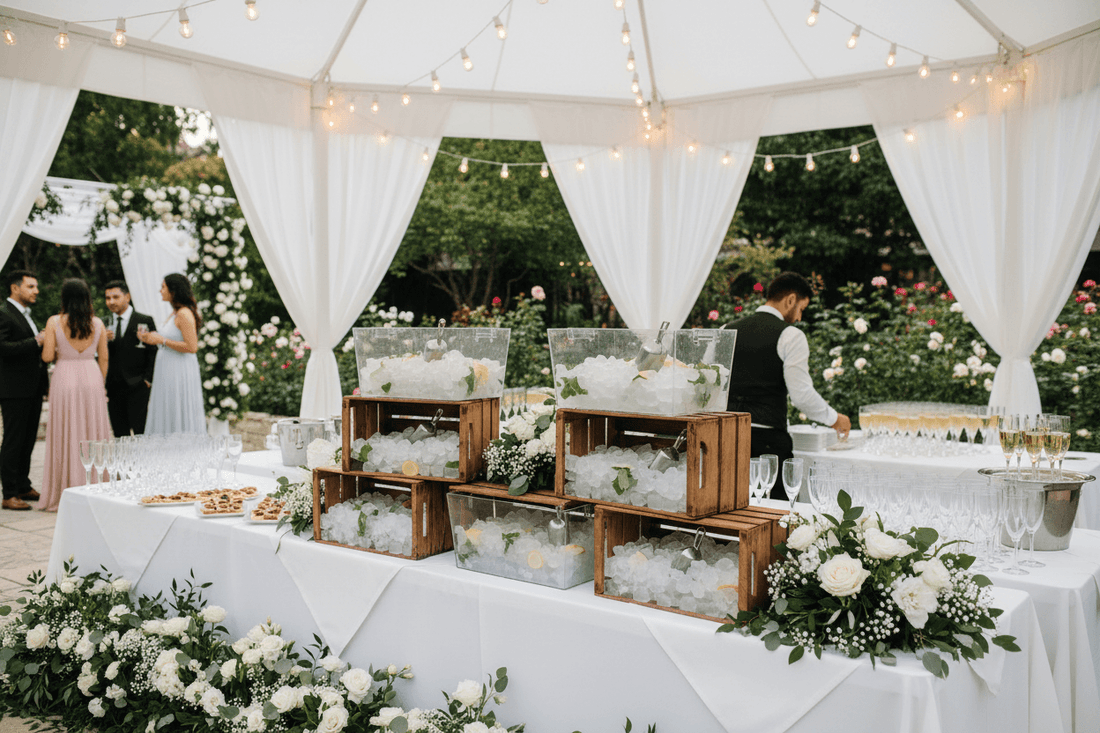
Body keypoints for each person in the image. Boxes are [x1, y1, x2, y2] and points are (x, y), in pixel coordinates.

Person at [725, 272, 851, 499]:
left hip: (724, 438)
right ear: (790, 300)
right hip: (766, 447)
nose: (800, 317)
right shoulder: (791, 335)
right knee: (774, 521)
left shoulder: (726, 329)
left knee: (728, 511)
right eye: (801, 309)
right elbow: (801, 395)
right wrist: (835, 419)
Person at [38, 279, 112, 512]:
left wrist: (48, 343)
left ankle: (66, 487)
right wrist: (100, 384)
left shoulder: (53, 322)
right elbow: (104, 358)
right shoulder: (98, 323)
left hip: (65, 377)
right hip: (92, 378)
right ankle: (96, 485)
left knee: (65, 430)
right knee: (93, 431)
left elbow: (47, 356)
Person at [0, 270, 49, 511]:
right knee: (13, 440)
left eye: (36, 286)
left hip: (32, 387)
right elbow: (3, 348)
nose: (36, 291)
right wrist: (36, 341)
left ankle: (23, 485)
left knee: (28, 439)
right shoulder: (3, 313)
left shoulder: (25, 314)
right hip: (14, 389)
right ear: (14, 288)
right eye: (31, 286)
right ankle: (9, 493)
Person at [141, 273, 205, 434]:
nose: (160, 291)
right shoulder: (174, 313)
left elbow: (192, 347)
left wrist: (162, 340)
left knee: (177, 405)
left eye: (163, 287)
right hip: (167, 368)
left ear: (173, 291)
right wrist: (150, 338)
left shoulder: (184, 313)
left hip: (179, 370)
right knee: (167, 406)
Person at [104, 280, 157, 436]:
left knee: (141, 433)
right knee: (120, 435)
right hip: (113, 387)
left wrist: (147, 379)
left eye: (115, 297)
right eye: (108, 298)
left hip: (138, 386)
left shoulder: (144, 320)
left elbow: (153, 352)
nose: (111, 302)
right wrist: (101, 340)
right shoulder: (103, 323)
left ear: (127, 297)